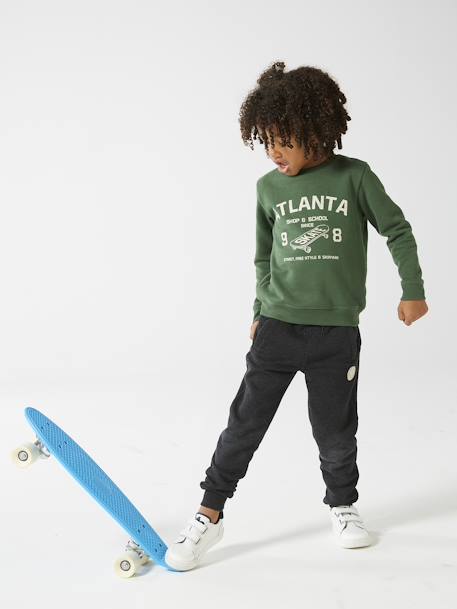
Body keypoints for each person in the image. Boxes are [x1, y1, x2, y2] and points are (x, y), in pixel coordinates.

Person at [165, 61, 428, 571]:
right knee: (244, 424)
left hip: (336, 332)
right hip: (278, 328)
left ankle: (343, 506)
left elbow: (397, 229)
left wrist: (412, 290)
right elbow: (263, 258)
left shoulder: (355, 176)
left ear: (316, 132)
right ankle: (208, 514)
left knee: (335, 431)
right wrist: (258, 310)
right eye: (267, 142)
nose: (274, 153)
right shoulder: (268, 188)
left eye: (285, 141)